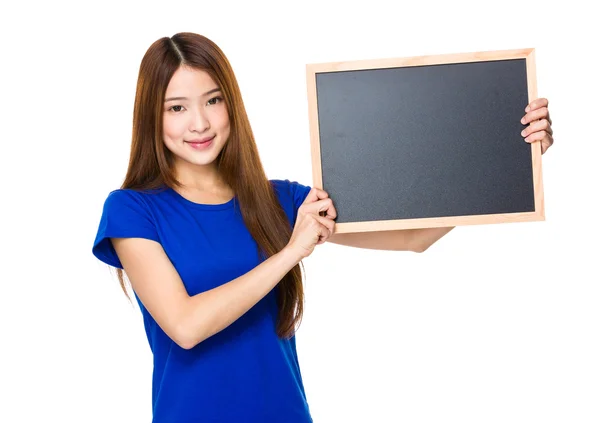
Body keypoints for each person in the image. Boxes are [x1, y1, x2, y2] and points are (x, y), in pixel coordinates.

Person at [91, 32, 555, 422]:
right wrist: (290, 252)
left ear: (231, 104)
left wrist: (512, 156)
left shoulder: (278, 200)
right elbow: (185, 325)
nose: (199, 122)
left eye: (213, 100)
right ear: (152, 115)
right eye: (177, 108)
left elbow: (415, 236)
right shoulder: (132, 210)